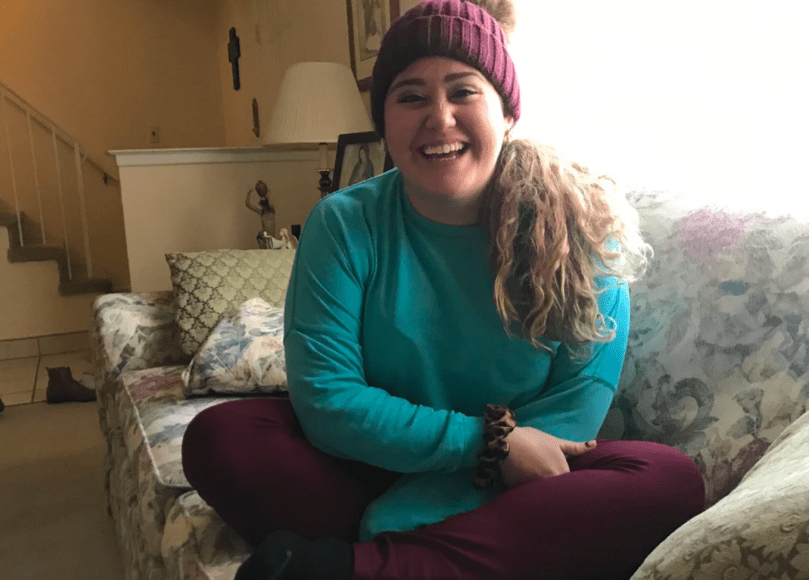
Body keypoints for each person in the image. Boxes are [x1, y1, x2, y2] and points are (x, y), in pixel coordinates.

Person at [181, 1, 706, 579]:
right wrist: (488, 442)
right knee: (222, 437)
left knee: (668, 480)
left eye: (463, 92)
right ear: (384, 122)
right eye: (410, 97)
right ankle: (430, 562)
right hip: (378, 458)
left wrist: (423, 504)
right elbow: (329, 401)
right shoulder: (342, 224)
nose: (439, 118)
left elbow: (573, 410)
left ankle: (355, 566)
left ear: (506, 113)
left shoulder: (581, 230)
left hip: (519, 475)